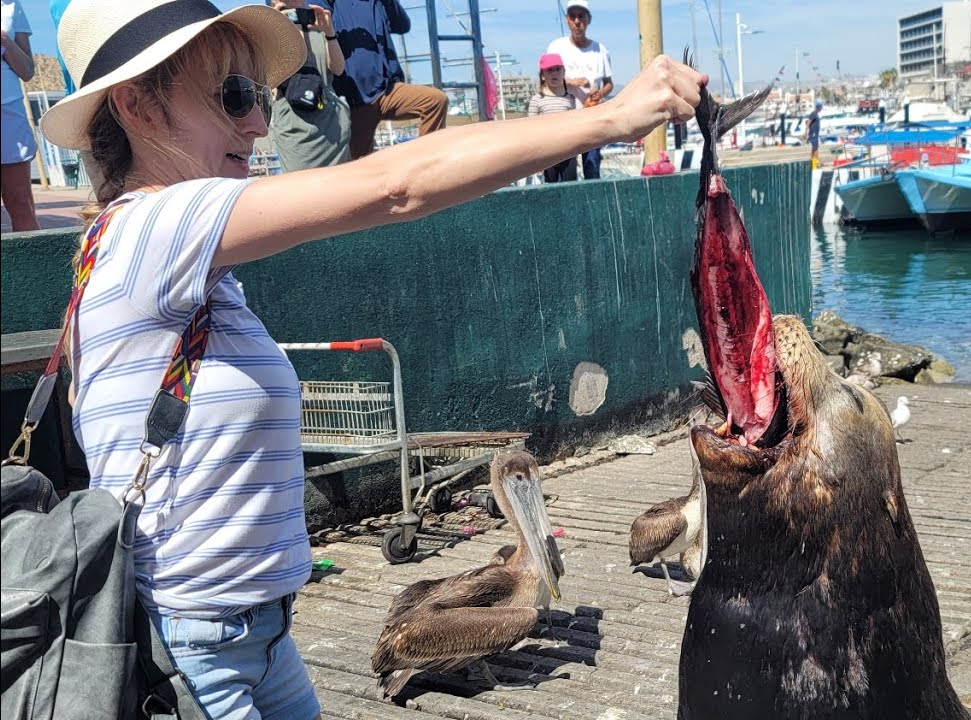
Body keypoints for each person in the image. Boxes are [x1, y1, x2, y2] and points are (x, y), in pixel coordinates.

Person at [41, 0, 703, 717]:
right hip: (196, 649)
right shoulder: (150, 232)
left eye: (256, 99)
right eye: (233, 97)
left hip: (256, 636)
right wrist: (609, 118)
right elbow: (397, 185)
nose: (260, 123)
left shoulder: (150, 263)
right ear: (137, 106)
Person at [325, 0, 448, 159]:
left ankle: (425, 161)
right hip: (356, 100)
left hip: (388, 90)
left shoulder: (379, 3)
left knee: (435, 101)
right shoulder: (334, 3)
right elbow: (309, 13)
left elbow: (402, 25)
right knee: (358, 165)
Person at [268, 0, 351, 171]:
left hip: (332, 124)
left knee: (341, 192)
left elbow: (338, 68)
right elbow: (272, 77)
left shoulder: (317, 19)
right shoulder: (270, 25)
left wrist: (329, 32)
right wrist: (277, 25)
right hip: (294, 129)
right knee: (299, 193)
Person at [546, 0, 612, 179]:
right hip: (564, 120)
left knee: (592, 168)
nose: (577, 21)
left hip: (592, 118)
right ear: (567, 20)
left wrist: (601, 93)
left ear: (588, 19)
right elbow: (547, 81)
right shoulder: (556, 47)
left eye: (581, 16)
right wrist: (572, 83)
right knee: (564, 173)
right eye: (573, 16)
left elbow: (608, 83)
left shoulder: (601, 50)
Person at [1, 0, 37, 230]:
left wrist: (4, 40)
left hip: (9, 113)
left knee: (20, 202)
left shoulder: (12, 6)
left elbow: (27, 71)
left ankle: (35, 266)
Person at [527, 53, 577, 183]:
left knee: (571, 188)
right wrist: (535, 158)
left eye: (558, 69)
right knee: (551, 189)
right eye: (549, 70)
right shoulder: (537, 100)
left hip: (569, 151)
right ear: (543, 75)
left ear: (563, 72)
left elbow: (574, 126)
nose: (554, 73)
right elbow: (530, 130)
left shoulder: (570, 99)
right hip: (547, 152)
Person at [804, 100, 822, 168]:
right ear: (818, 107)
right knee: (816, 148)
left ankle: (810, 162)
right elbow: (808, 122)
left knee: (814, 149)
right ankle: (817, 162)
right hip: (813, 134)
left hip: (815, 134)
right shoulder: (813, 114)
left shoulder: (816, 114)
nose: (821, 109)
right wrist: (805, 132)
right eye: (820, 108)